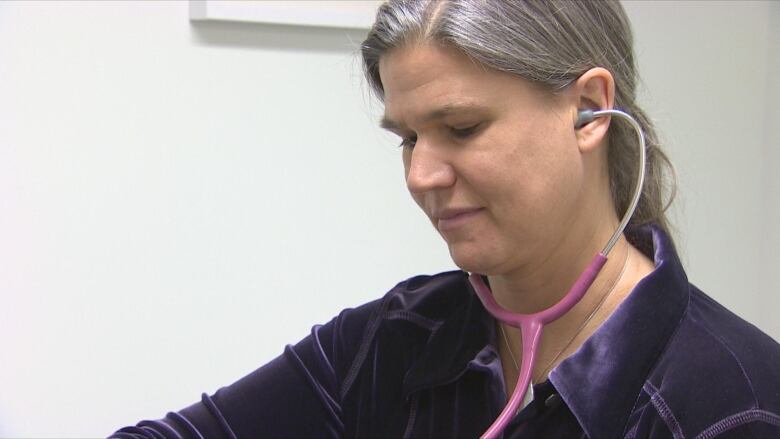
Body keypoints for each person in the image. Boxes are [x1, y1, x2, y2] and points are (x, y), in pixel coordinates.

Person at [111, 1, 780, 437]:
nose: (420, 176)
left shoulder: (733, 404)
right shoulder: (397, 338)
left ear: (588, 111)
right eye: (407, 138)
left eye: (461, 127)